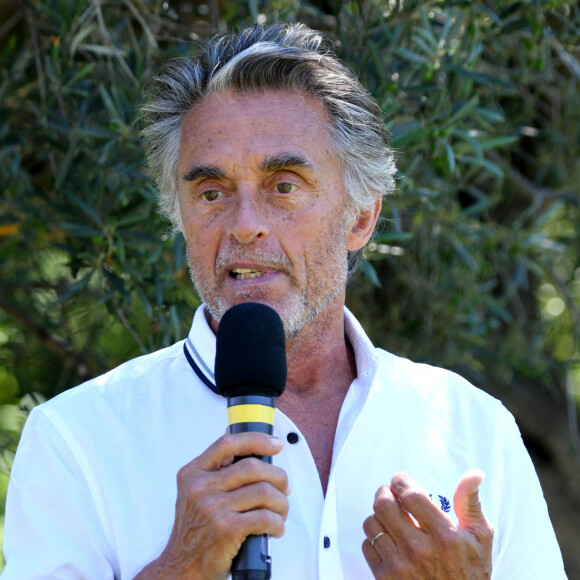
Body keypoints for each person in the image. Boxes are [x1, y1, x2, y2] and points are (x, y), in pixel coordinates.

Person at [1, 23, 566, 580]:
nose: (245, 226)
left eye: (285, 185)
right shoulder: (76, 440)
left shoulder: (473, 427)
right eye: (211, 192)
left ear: (361, 216)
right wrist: (181, 568)